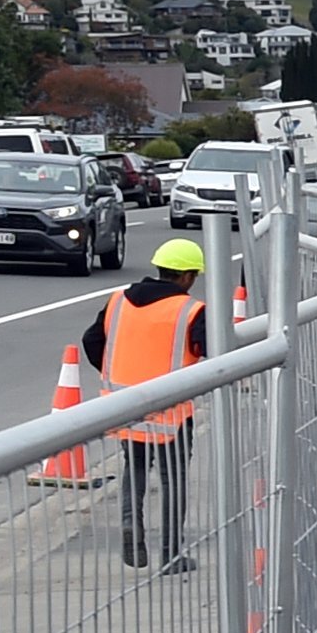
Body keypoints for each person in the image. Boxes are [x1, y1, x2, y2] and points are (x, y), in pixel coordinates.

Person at [81, 238, 211, 571]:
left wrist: (116, 373)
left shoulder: (118, 301)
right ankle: (171, 553)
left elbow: (92, 339)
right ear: (185, 277)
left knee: (135, 468)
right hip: (171, 412)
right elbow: (210, 347)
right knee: (173, 478)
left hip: (125, 405)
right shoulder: (190, 310)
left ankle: (130, 524)